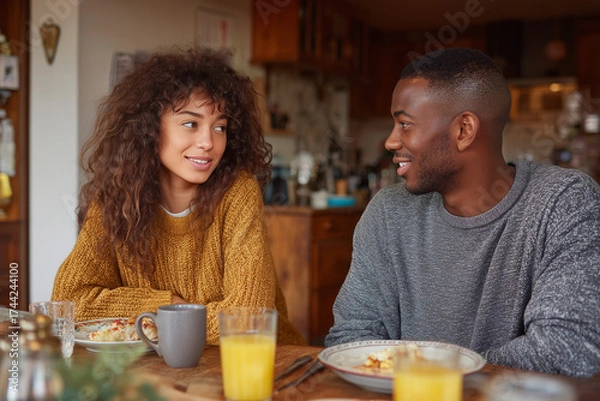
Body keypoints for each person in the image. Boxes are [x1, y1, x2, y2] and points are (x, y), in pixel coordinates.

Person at [325, 47, 600, 377]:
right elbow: (351, 340)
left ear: (464, 130)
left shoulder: (564, 203)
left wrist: (428, 380)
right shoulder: (388, 212)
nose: (390, 141)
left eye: (405, 124)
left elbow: (566, 351)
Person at [52, 47, 305, 346]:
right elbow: (69, 301)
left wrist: (163, 317)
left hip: (261, 365)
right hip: (161, 370)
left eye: (220, 127)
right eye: (190, 123)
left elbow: (248, 317)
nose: (208, 142)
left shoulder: (238, 191)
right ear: (150, 129)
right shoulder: (116, 197)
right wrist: (167, 303)